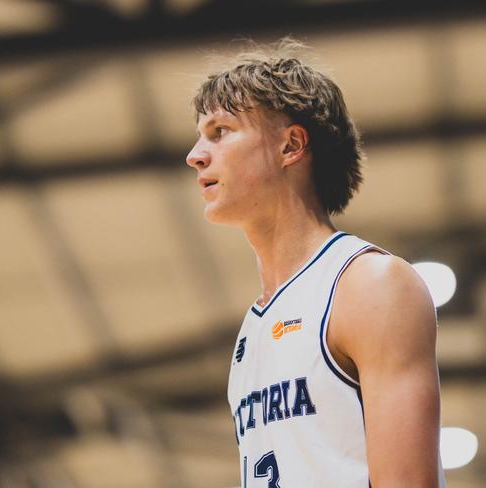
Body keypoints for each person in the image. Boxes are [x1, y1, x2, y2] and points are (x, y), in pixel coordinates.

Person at [186, 38, 445, 488]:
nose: (195, 155)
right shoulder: (253, 328)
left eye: (220, 132)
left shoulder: (371, 284)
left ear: (291, 146)